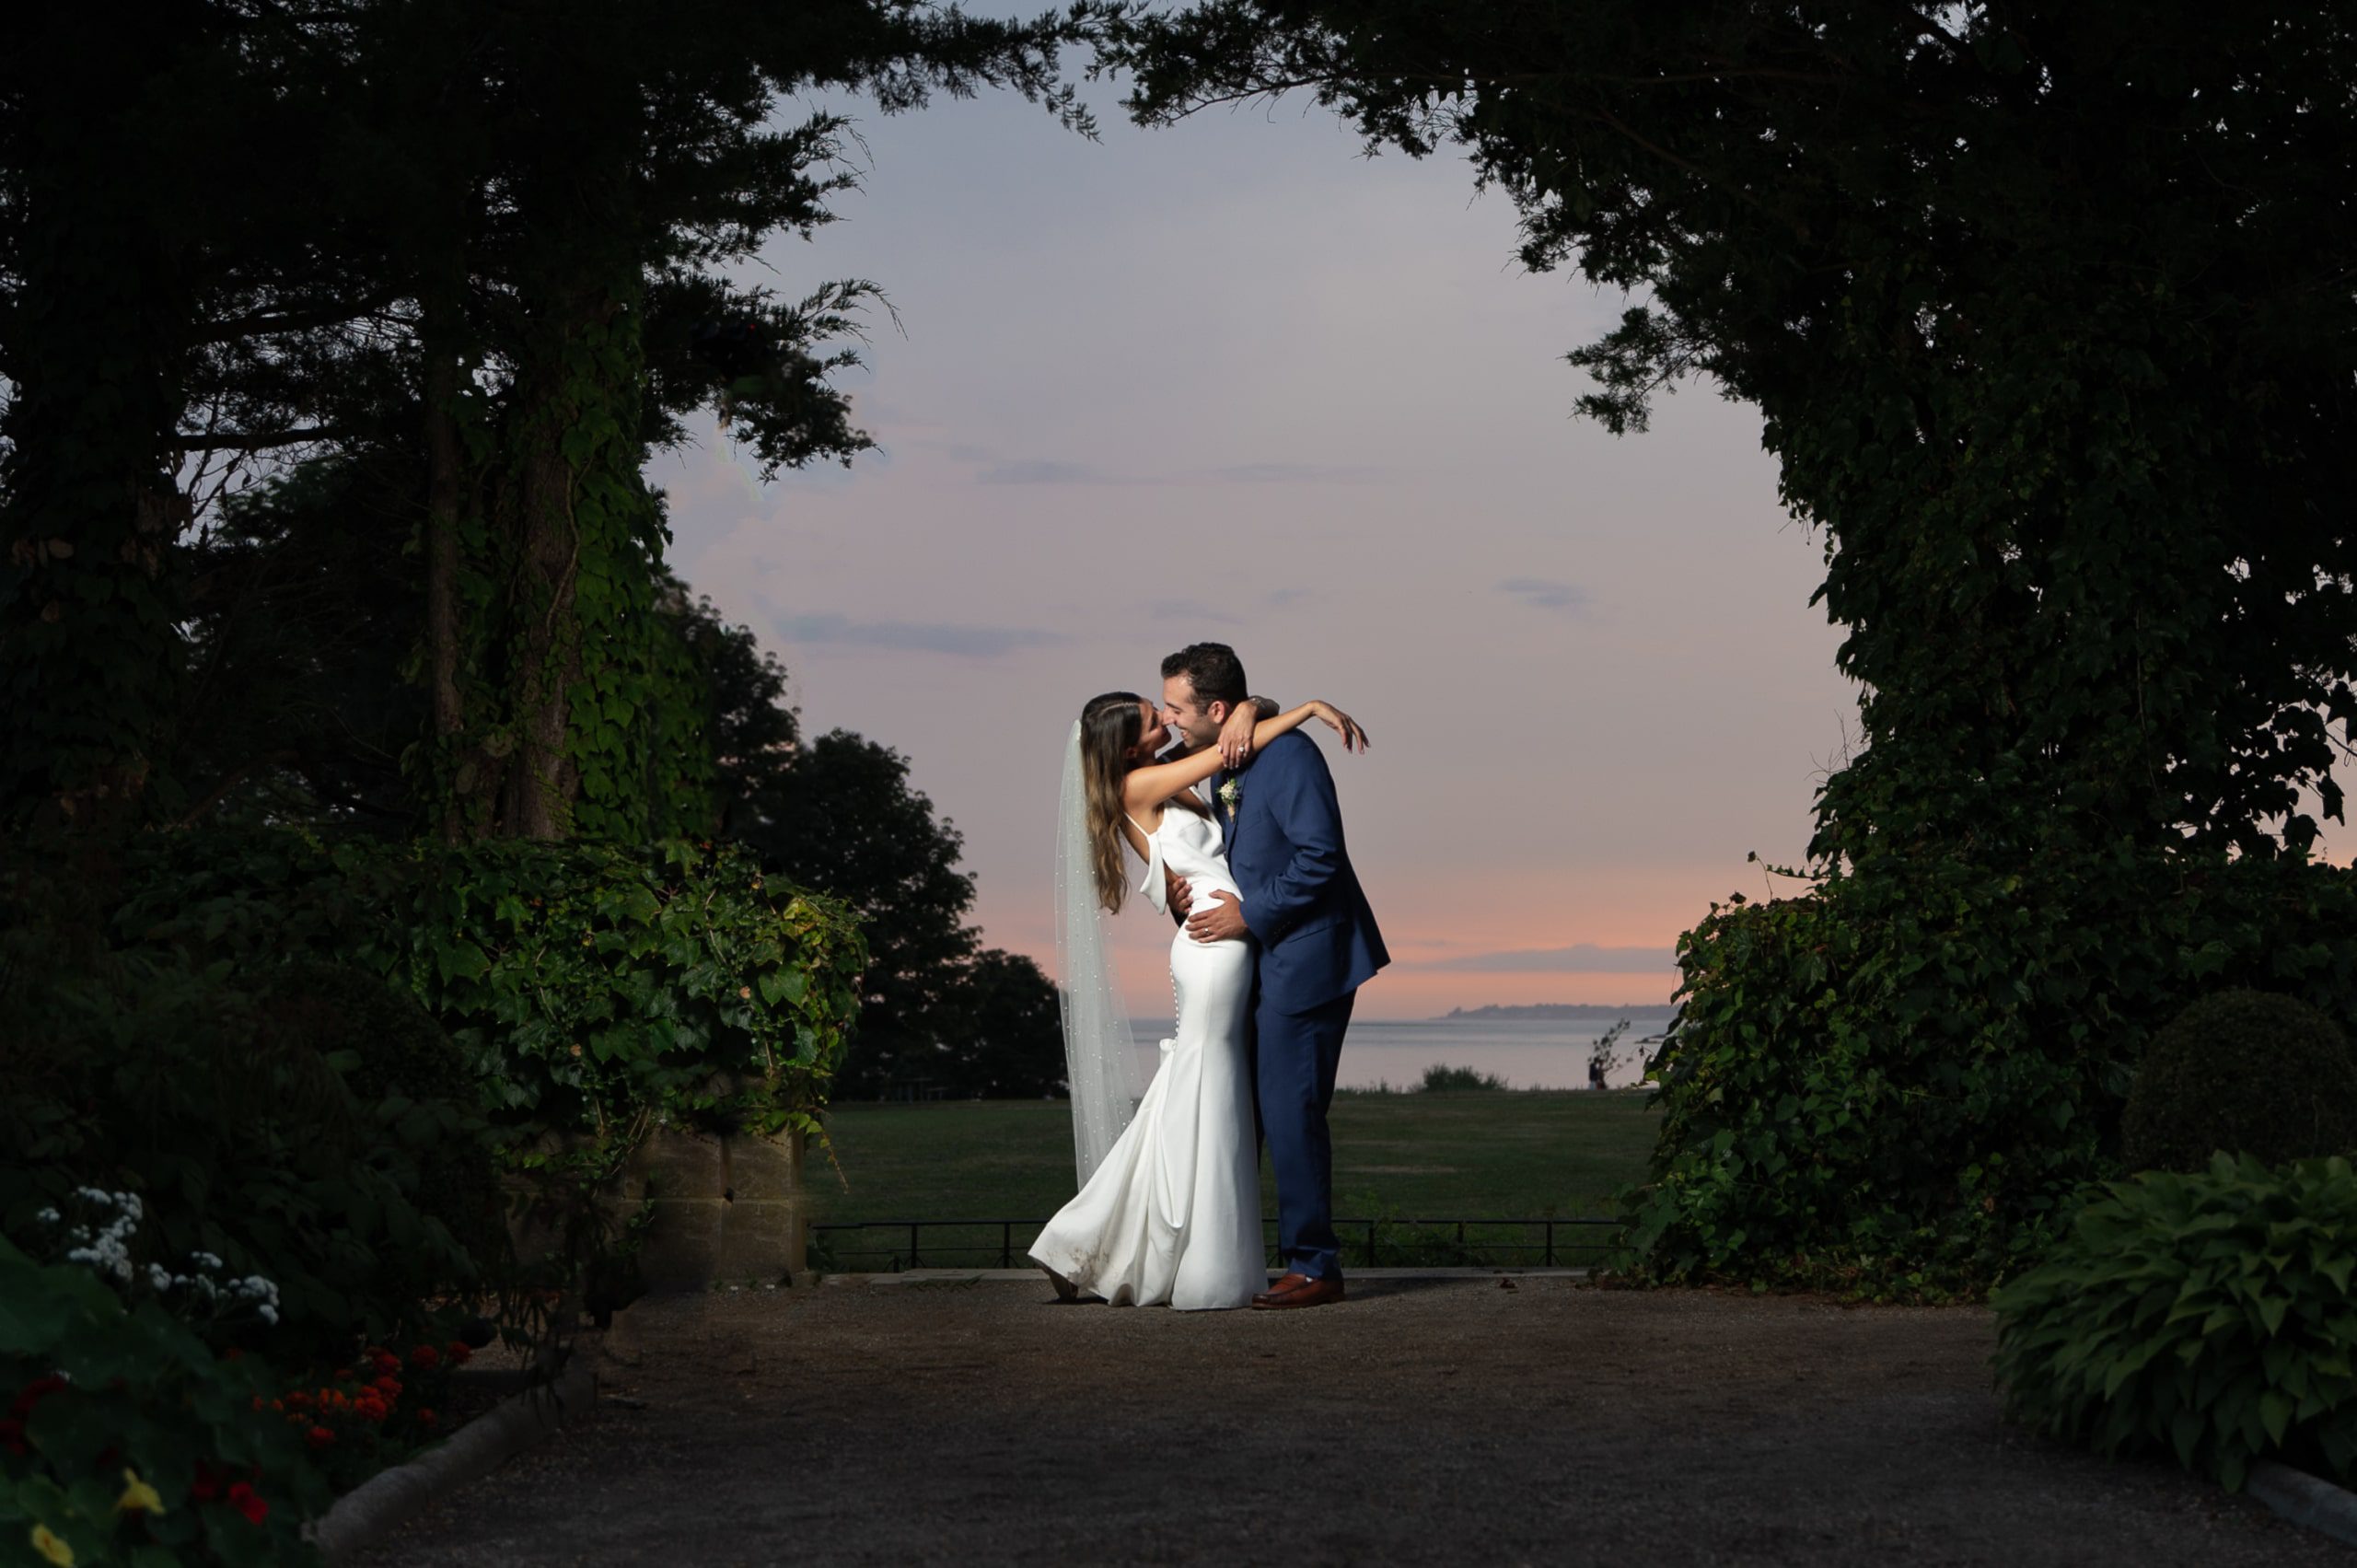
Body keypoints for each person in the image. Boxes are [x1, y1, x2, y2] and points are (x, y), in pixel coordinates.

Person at [1030, 689, 1366, 1309]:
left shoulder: (1150, 777)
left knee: (1196, 1094)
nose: (1167, 719)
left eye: (1164, 709)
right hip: (1216, 947)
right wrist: (1308, 708)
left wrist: (1250, 703)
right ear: (1131, 747)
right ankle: (1106, 1239)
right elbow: (1230, 751)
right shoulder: (1143, 784)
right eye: (1154, 718)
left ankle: (1092, 1238)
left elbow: (1221, 740)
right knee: (1204, 1095)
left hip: (1222, 940)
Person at [1161, 643, 1389, 1311]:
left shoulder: (1289, 758)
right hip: (1267, 959)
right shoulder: (1225, 758)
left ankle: (1315, 1264)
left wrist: (1247, 916)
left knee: (1292, 1111)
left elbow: (1320, 858)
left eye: (1177, 707)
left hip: (1311, 957)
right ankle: (1241, 1253)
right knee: (1252, 1111)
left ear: (1217, 709)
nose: (1172, 719)